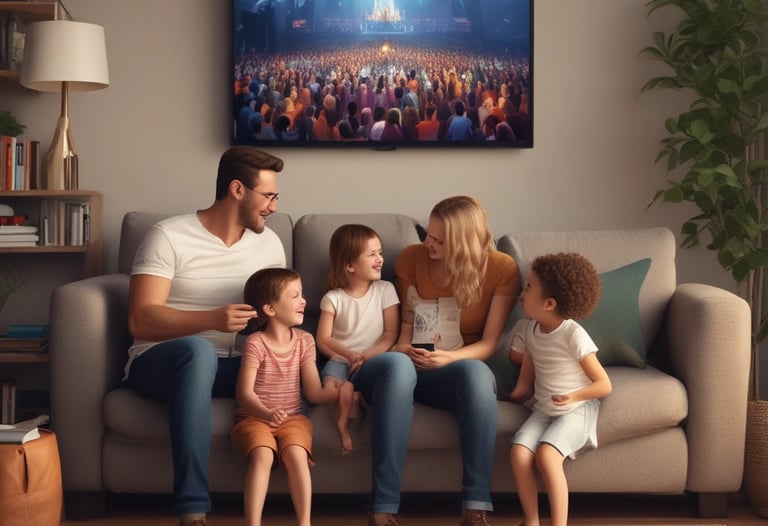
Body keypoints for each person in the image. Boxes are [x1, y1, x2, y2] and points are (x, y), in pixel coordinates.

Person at [124, 146, 287, 526]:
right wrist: (212, 319)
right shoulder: (168, 236)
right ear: (237, 190)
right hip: (162, 361)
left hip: (235, 368)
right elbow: (140, 320)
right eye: (268, 196)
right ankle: (193, 509)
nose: (274, 207)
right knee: (199, 352)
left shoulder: (269, 245)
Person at [379, 195, 520, 526]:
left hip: (456, 370)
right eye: (428, 233)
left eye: (439, 240)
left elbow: (489, 343)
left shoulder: (501, 268)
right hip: (410, 362)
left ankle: (476, 505)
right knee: (399, 367)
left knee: (475, 373)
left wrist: (449, 359)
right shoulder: (411, 258)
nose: (428, 243)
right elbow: (405, 328)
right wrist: (404, 351)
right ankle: (383, 509)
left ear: (464, 243)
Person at [507, 253, 612, 526]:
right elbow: (531, 358)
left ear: (549, 303)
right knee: (519, 453)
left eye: (528, 287)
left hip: (577, 408)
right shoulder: (531, 329)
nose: (521, 293)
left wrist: (573, 396)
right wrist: (522, 388)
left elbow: (604, 384)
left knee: (546, 455)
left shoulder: (573, 334)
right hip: (545, 408)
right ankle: (531, 521)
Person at [231, 268, 340, 526]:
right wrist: (266, 414)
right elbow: (243, 393)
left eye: (302, 295)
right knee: (263, 455)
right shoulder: (255, 343)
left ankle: (304, 522)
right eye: (295, 296)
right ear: (269, 308)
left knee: (296, 454)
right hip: (254, 417)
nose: (304, 301)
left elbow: (313, 391)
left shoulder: (305, 341)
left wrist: (343, 392)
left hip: (293, 418)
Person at [315, 224, 400, 454]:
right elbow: (323, 340)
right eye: (372, 254)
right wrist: (348, 355)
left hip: (373, 361)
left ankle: (353, 398)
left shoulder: (386, 290)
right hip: (340, 360)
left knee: (349, 390)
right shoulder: (333, 298)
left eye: (380, 252)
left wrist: (364, 356)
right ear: (350, 265)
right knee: (329, 387)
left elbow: (390, 335)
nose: (380, 259)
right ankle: (350, 404)